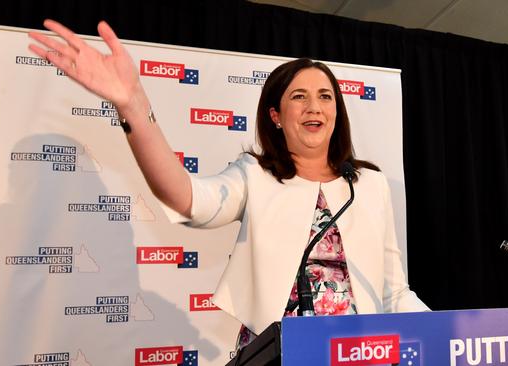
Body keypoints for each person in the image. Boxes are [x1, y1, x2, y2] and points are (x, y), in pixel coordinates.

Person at [29, 19, 429, 349]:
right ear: (276, 115)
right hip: (279, 351)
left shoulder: (370, 185)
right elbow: (189, 199)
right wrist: (134, 105)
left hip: (360, 351)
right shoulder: (255, 175)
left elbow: (394, 292)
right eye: (300, 97)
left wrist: (448, 334)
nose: (314, 107)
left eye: (326, 97)